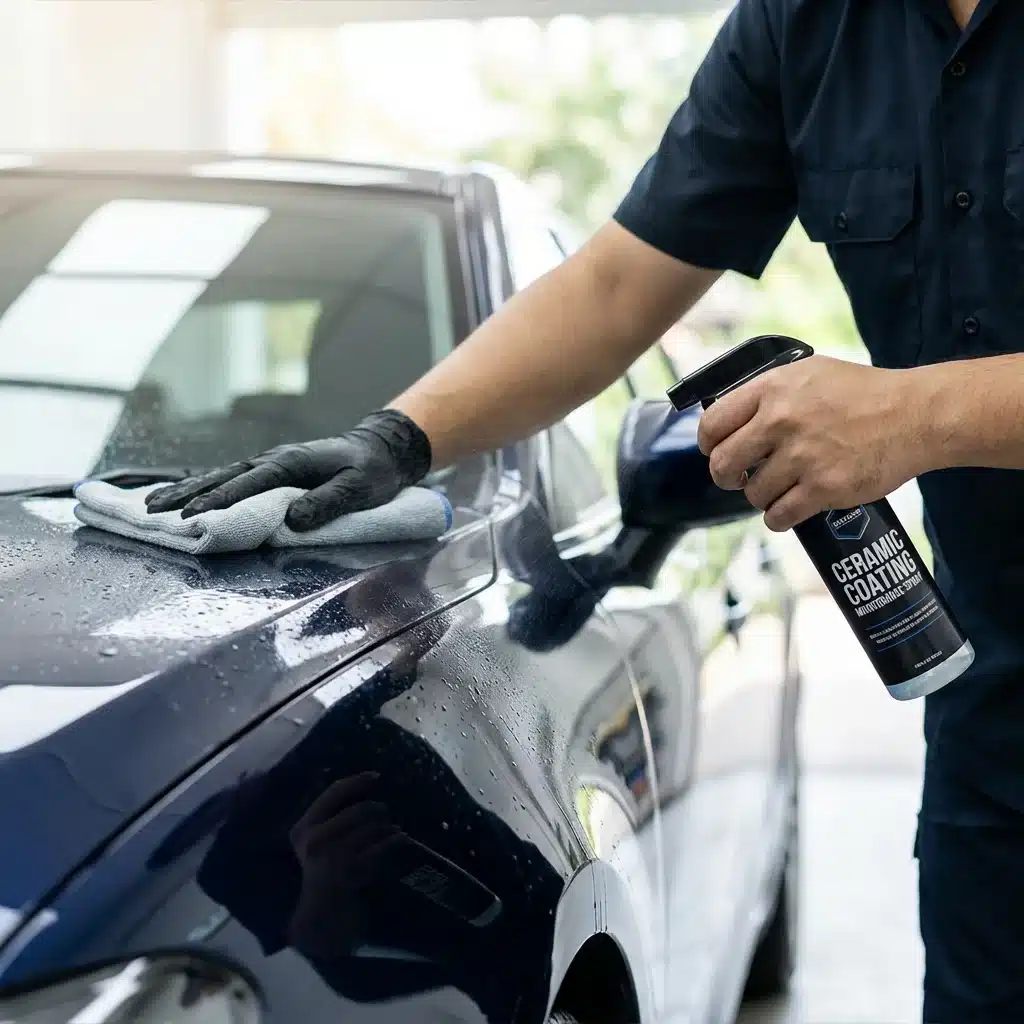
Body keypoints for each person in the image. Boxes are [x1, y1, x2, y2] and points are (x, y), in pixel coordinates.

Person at [148, 0, 1024, 1018]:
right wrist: (396, 439)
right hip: (994, 716)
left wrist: (920, 413)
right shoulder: (806, 27)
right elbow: (615, 286)